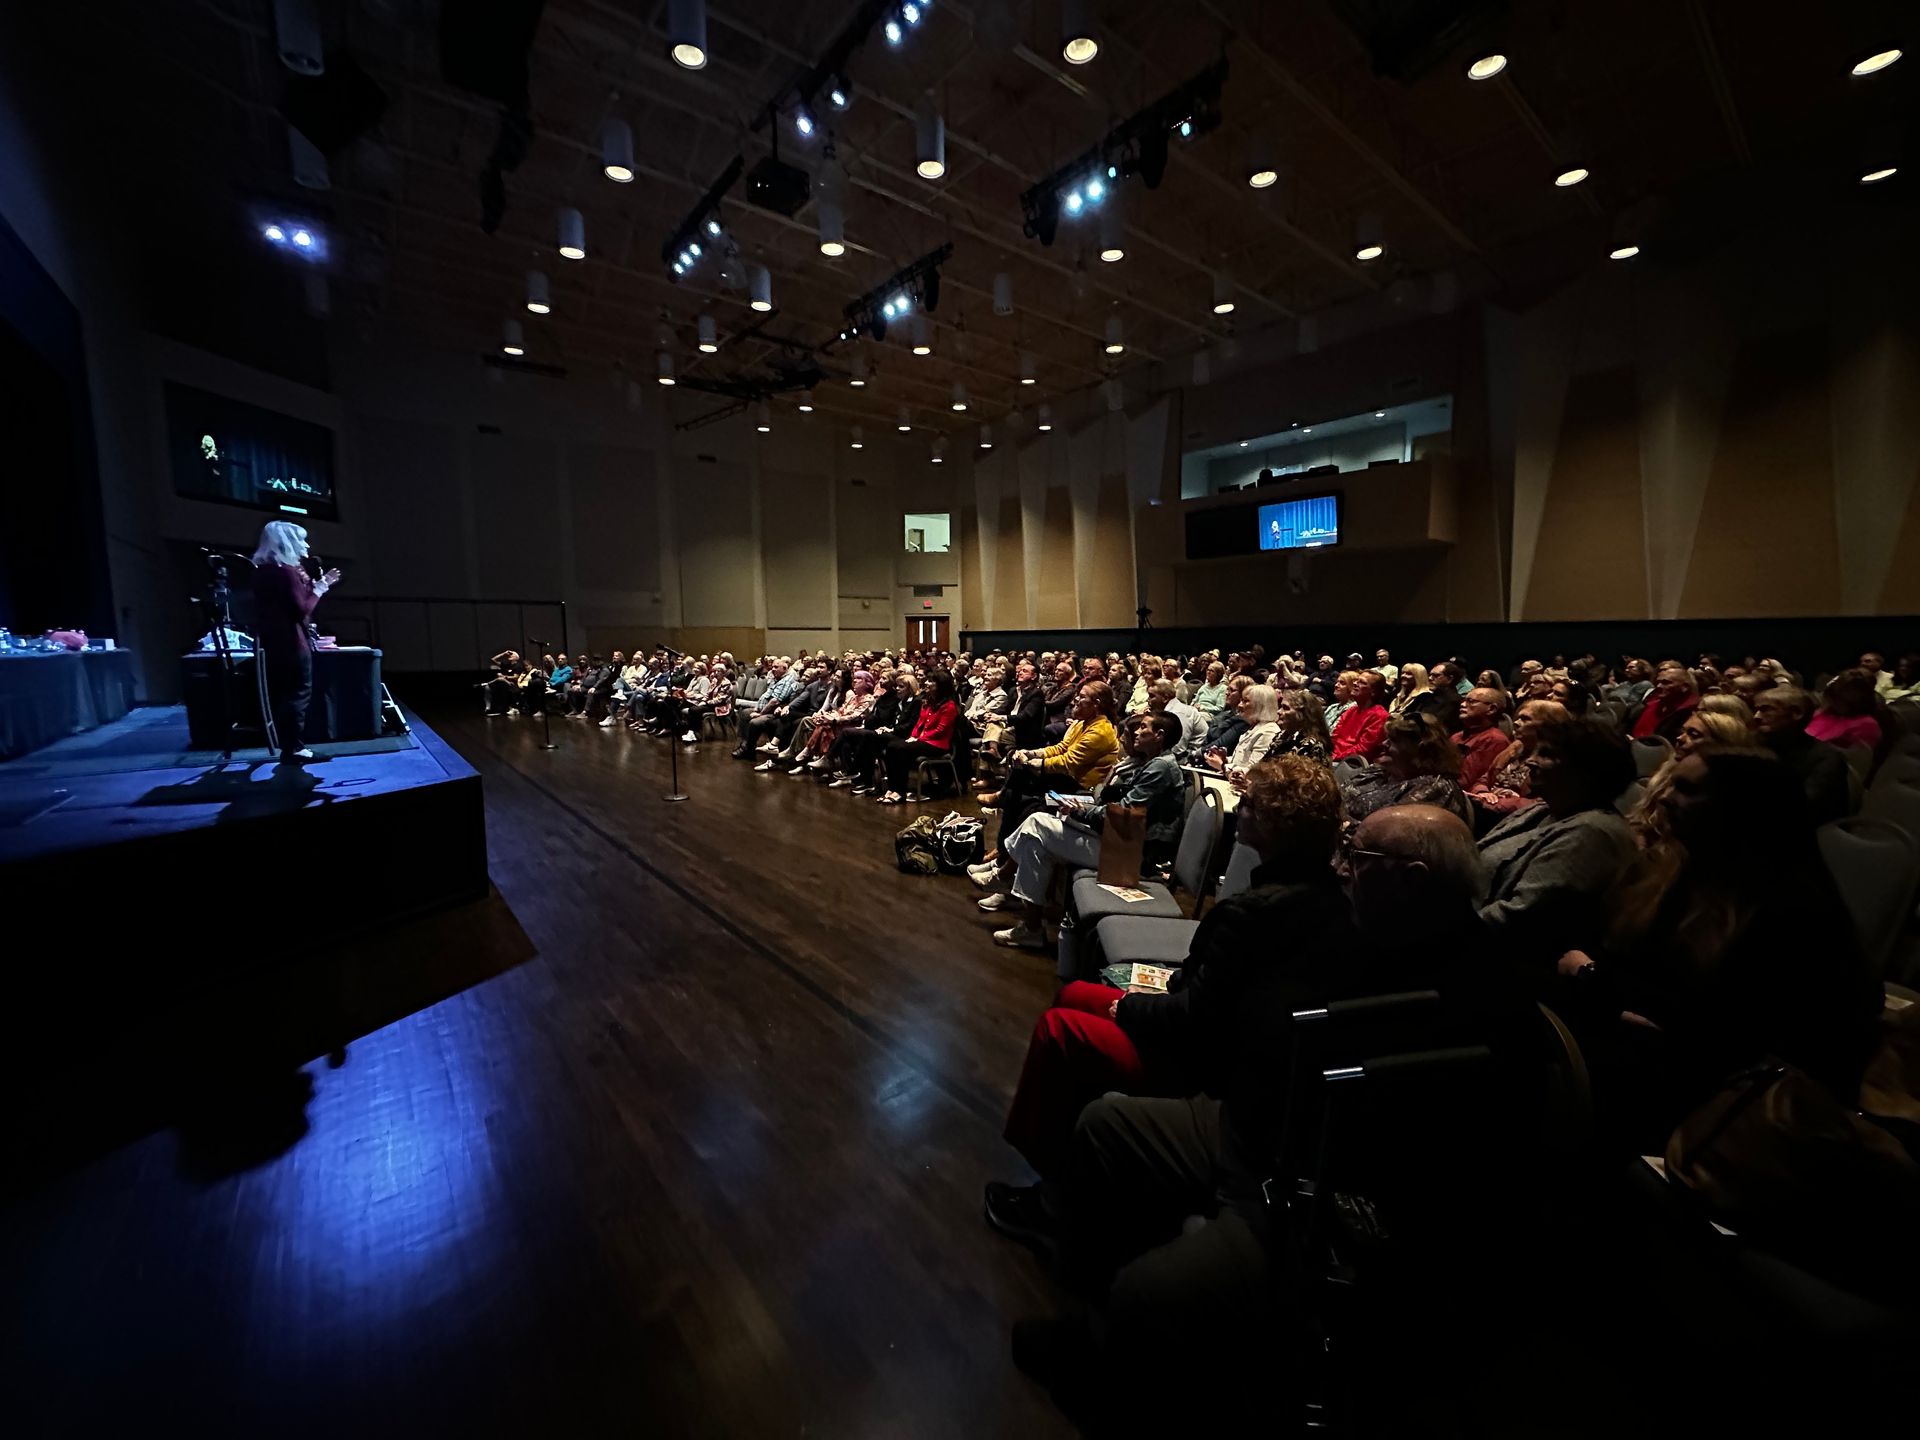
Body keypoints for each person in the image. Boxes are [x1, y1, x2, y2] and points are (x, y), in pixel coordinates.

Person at [987, 754, 1350, 1189]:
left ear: (1275, 825)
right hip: (1214, 1029)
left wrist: (1130, 1009)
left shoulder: (1249, 913)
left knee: (1058, 1028)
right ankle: (1072, 1135)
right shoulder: (1323, 894)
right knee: (1075, 995)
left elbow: (1194, 1019)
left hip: (1205, 1062)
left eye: (1249, 805)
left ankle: (1050, 1185)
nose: (1241, 810)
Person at [1556, 753, 1883, 1150]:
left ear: (1740, 808)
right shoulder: (1673, 872)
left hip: (1715, 1111)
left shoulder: (1792, 911)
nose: (1664, 798)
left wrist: (1592, 979)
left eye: (1689, 790)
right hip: (1644, 1058)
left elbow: (1711, 1030)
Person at [975, 713, 1186, 950]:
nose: (1136, 732)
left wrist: (1081, 812)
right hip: (1122, 841)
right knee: (1037, 844)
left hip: (1132, 856)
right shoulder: (1152, 761)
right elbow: (1110, 803)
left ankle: (1004, 878)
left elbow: (1121, 814)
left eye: (1144, 728)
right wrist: (1088, 806)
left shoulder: (1160, 767)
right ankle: (1030, 926)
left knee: (1038, 824)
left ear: (1159, 736)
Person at [1476, 717, 1636, 959]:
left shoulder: (1593, 833)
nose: (1531, 761)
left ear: (1586, 769)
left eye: (1547, 754)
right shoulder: (1543, 809)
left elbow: (1519, 918)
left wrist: (1439, 933)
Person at [986, 681, 1122, 851]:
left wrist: (1032, 763)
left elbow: (1068, 762)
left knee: (1021, 792)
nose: (1075, 700)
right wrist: (1031, 754)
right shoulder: (1082, 723)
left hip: (1080, 787)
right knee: (1018, 783)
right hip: (1067, 779)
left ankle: (1002, 848)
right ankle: (1003, 848)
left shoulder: (1101, 731)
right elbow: (1062, 747)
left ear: (1096, 704)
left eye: (1081, 697)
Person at [250, 520, 339, 762]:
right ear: (288, 543)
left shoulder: (262, 572)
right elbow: (301, 611)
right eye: (301, 540)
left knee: (285, 695)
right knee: (298, 695)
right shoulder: (285, 573)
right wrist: (321, 587)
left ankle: (290, 747)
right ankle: (295, 749)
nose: (306, 545)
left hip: (274, 643)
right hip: (293, 643)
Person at [1340, 713, 1472, 826]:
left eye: (1394, 740)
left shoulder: (1437, 788)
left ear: (1421, 749)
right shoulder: (1379, 771)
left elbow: (1388, 834)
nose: (1384, 744)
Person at [1753, 686, 1851, 825]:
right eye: (1756, 710)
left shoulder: (1826, 758)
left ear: (1796, 713)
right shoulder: (1755, 745)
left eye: (1766, 710)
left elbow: (1802, 806)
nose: (1756, 717)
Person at [876, 668, 959, 804]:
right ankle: (892, 788)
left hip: (938, 745)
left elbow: (941, 730)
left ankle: (900, 791)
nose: (927, 683)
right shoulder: (929, 702)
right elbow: (919, 724)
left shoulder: (949, 706)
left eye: (931, 681)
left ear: (940, 686)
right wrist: (912, 737)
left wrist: (919, 738)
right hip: (924, 741)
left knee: (900, 749)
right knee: (892, 746)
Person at [1201, 683, 1279, 778]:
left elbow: (1253, 772)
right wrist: (1225, 760)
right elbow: (1242, 762)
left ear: (1260, 706)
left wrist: (1222, 765)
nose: (1240, 705)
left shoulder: (1268, 732)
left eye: (1245, 701)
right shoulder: (1253, 727)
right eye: (1241, 700)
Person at [1805, 669, 1884, 750]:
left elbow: (1856, 760)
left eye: (1838, 699)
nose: (1831, 702)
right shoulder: (1825, 711)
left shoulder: (1867, 726)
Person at [1452, 687, 1511, 792]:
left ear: (1491, 709)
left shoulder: (1495, 740)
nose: (1462, 704)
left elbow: (1465, 781)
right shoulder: (1457, 736)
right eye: (1464, 700)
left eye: (1471, 701)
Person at [1630, 660, 1698, 741]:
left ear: (1685, 687)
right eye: (1658, 682)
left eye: (1666, 682)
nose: (1658, 686)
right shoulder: (1650, 704)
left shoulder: (1691, 712)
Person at [1329, 671, 1389, 762]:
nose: (1355, 683)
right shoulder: (1351, 710)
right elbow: (1334, 736)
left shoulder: (1380, 716)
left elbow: (1363, 750)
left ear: (1373, 692)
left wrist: (1334, 758)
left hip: (1351, 764)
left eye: (1362, 682)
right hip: (1334, 758)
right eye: (1356, 680)